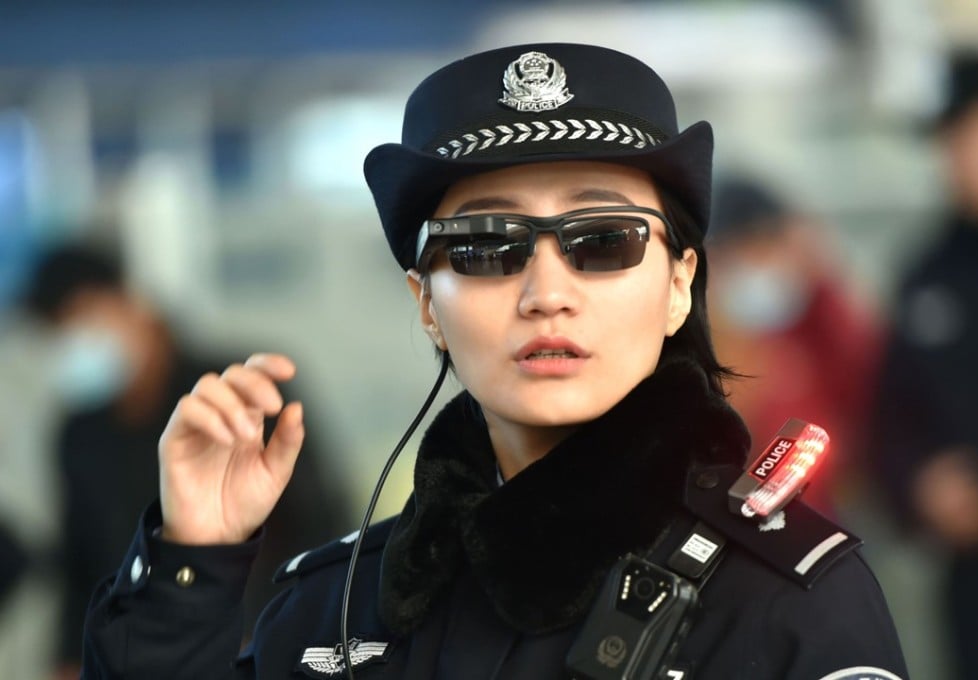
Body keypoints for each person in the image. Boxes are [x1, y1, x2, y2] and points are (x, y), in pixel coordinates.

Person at [79, 43, 908, 679]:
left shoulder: (786, 601)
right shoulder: (330, 609)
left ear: (679, 288)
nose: (546, 291)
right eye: (484, 248)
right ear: (424, 304)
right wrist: (194, 560)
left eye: (604, 240)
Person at [20, 242, 352, 677]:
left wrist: (269, 627)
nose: (72, 341)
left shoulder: (235, 396)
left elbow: (318, 523)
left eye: (81, 318)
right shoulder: (79, 431)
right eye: (58, 330)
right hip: (134, 655)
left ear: (130, 303)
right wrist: (69, 655)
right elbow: (81, 559)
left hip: (258, 642)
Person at [869, 51, 978, 680]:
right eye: (948, 141)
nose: (954, 158)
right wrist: (921, 486)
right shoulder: (931, 273)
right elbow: (891, 417)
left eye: (972, 135)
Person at [707, 176, 883, 520]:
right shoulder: (694, 347)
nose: (760, 264)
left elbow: (867, 384)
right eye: (745, 250)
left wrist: (822, 281)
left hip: (818, 522)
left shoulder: (809, 332)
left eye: (770, 246)